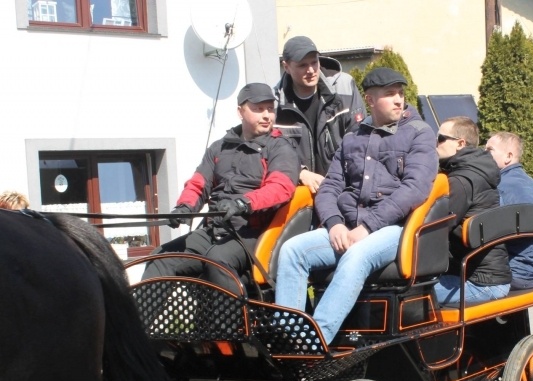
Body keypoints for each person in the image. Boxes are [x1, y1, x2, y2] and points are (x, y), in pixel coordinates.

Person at [274, 68, 437, 345]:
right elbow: (330, 186)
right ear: (369, 100)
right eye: (389, 94)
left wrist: (368, 226)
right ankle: (289, 340)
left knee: (356, 257)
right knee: (293, 251)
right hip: (348, 226)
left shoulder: (419, 133)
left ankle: (314, 342)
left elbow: (415, 189)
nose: (399, 100)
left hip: (395, 229)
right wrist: (334, 223)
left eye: (400, 93)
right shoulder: (352, 137)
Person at [141, 83, 299, 293]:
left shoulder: (280, 148)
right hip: (215, 229)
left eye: (270, 109)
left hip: (253, 232)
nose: (266, 115)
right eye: (258, 109)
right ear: (240, 111)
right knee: (161, 258)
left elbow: (281, 188)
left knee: (217, 260)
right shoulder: (219, 147)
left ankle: (226, 326)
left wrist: (244, 202)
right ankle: (137, 325)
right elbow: (198, 184)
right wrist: (184, 208)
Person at [435, 117, 511, 305]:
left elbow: (435, 227)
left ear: (461, 143)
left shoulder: (462, 180)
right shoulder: (474, 172)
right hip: (484, 276)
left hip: (481, 282)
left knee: (409, 297)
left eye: (440, 138)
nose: (435, 143)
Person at [274, 36, 365, 194]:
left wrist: (335, 184)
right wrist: (300, 172)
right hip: (300, 193)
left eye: (314, 62)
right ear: (286, 67)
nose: (310, 70)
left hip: (344, 189)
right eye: (302, 65)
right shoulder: (274, 104)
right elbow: (270, 153)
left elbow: (361, 141)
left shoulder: (344, 87)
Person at [485, 131, 533, 289]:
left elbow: (485, 233)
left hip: (513, 273)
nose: (483, 153)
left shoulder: (499, 187)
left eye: (489, 150)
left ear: (508, 156)